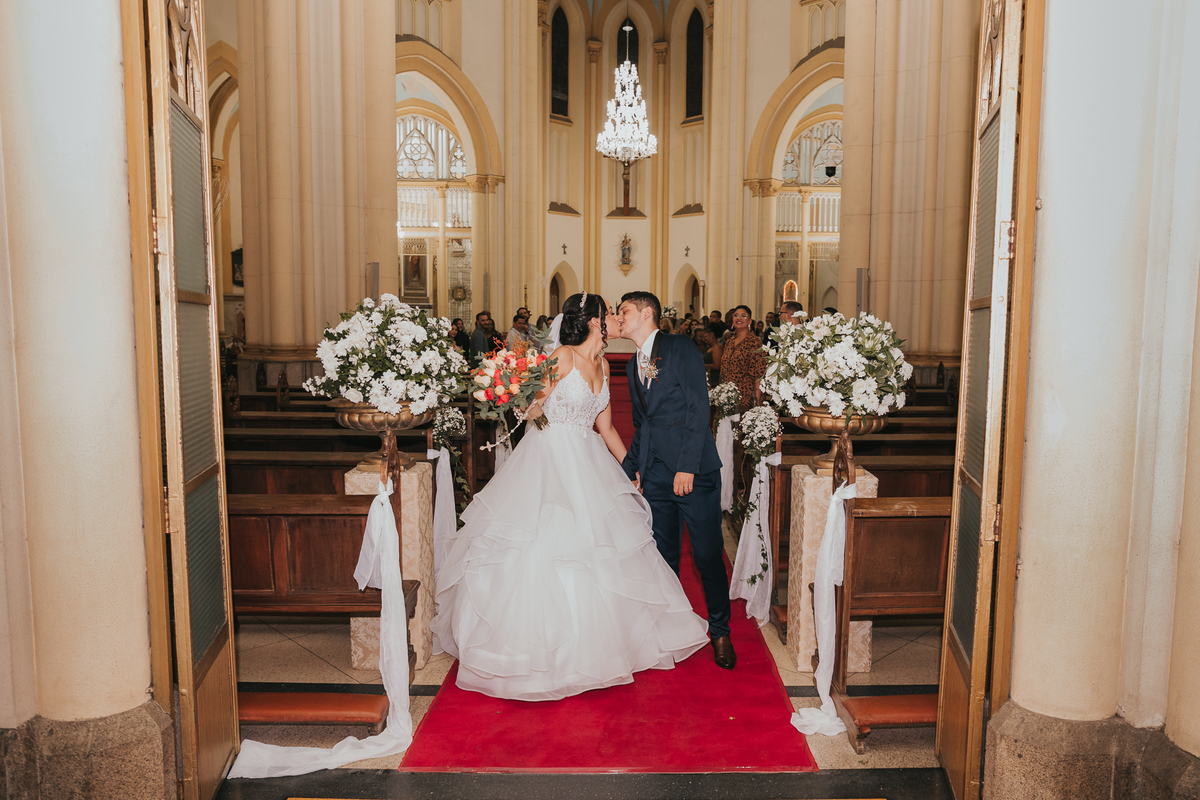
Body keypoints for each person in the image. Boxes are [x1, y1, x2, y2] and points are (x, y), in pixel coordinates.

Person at [432, 293, 708, 701]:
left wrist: (633, 473)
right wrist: (514, 390)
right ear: (595, 321)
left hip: (589, 458)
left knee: (601, 546)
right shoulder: (561, 356)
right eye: (610, 313)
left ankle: (600, 646)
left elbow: (610, 431)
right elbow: (531, 413)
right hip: (549, 457)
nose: (615, 318)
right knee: (545, 543)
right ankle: (537, 651)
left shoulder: (600, 363)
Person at [616, 291, 736, 670]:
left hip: (693, 470)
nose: (618, 318)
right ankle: (670, 630)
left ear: (646, 313)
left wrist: (687, 466)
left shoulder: (679, 346)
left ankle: (720, 631)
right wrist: (632, 466)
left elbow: (698, 404)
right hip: (655, 473)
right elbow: (643, 422)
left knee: (705, 554)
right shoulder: (633, 361)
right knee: (662, 556)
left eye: (624, 311)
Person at [719, 304, 767, 413]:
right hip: (727, 399)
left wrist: (756, 403)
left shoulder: (755, 343)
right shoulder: (729, 342)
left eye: (743, 316)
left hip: (746, 399)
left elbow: (759, 375)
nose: (739, 318)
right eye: (736, 315)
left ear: (749, 322)